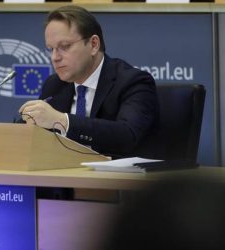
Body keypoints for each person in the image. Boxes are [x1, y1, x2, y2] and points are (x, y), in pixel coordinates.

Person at [19, 5, 159, 158]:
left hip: (115, 179)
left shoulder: (132, 81)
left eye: (64, 47)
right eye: (51, 49)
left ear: (93, 45)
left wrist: (62, 121)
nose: (55, 57)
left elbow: (128, 135)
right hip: (62, 176)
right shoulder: (54, 85)